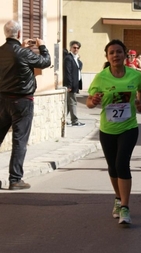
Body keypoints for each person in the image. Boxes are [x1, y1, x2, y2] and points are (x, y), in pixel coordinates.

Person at [86, 39, 141, 224]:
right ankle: (118, 199)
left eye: (118, 52)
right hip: (107, 129)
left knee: (122, 163)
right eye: (111, 52)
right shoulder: (101, 77)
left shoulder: (134, 75)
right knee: (112, 167)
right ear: (107, 56)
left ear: (125, 55)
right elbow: (89, 102)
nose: (115, 55)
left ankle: (125, 208)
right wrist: (93, 101)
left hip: (128, 128)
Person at [0, 20, 51, 190]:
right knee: (19, 140)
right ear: (20, 33)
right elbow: (45, 62)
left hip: (2, 99)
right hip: (22, 101)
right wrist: (42, 46)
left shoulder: (1, 51)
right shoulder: (23, 52)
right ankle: (15, 179)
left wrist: (21, 47)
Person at [63, 40, 85, 127]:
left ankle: (64, 119)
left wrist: (78, 58)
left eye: (77, 48)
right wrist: (69, 85)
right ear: (70, 48)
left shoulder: (75, 59)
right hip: (70, 84)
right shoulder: (68, 58)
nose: (76, 49)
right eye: (74, 47)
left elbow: (80, 66)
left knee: (69, 104)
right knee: (73, 102)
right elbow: (68, 72)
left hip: (76, 84)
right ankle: (75, 121)